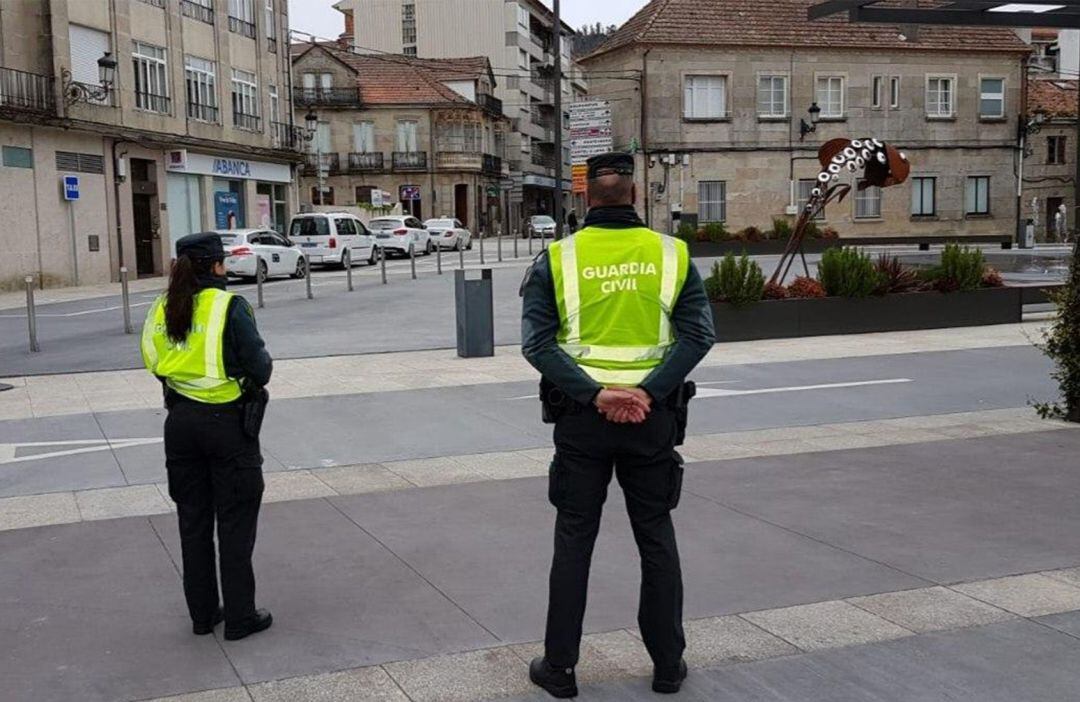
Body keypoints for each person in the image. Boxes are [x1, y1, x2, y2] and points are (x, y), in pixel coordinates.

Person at [520, 152, 715, 698]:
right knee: (655, 537)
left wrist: (596, 394)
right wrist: (647, 393)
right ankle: (668, 666)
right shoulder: (672, 254)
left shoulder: (556, 258)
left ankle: (559, 669)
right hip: (652, 422)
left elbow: (536, 343)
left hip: (582, 424)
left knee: (574, 541)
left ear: (586, 199)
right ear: (634, 195)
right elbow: (699, 336)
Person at [141, 233, 274, 642]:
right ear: (215, 266)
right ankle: (239, 618)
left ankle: (203, 616)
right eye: (223, 262)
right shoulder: (227, 306)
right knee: (234, 522)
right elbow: (261, 367)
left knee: (193, 523)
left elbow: (152, 360)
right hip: (227, 426)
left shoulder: (161, 307)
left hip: (180, 425)